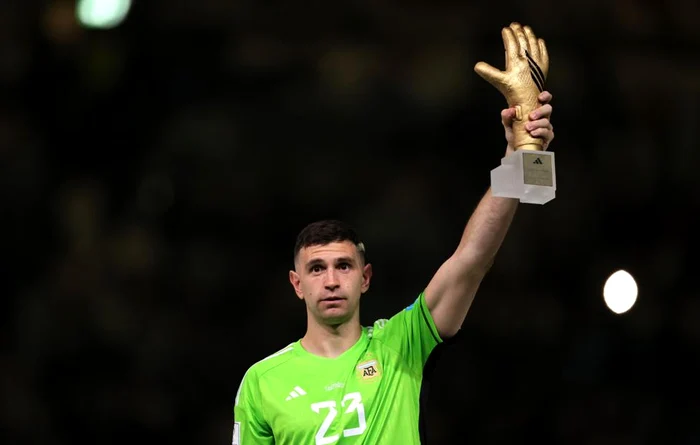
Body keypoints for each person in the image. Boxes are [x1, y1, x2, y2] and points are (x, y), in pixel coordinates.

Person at [233, 22, 555, 445]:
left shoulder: (402, 343)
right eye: (316, 269)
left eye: (344, 265)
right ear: (296, 284)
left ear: (365, 278)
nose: (331, 280)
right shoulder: (261, 382)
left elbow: (471, 260)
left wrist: (519, 155)